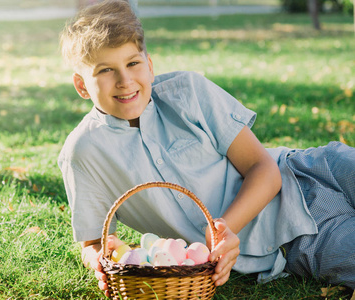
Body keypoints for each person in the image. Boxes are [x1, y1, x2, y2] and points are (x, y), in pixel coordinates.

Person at [58, 0, 355, 297]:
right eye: (106, 70)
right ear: (82, 85)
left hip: (313, 171)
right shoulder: (83, 152)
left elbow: (262, 168)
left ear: (148, 65)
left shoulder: (188, 92)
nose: (125, 81)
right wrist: (100, 260)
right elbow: (93, 243)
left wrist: (225, 228)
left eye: (132, 63)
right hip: (297, 238)